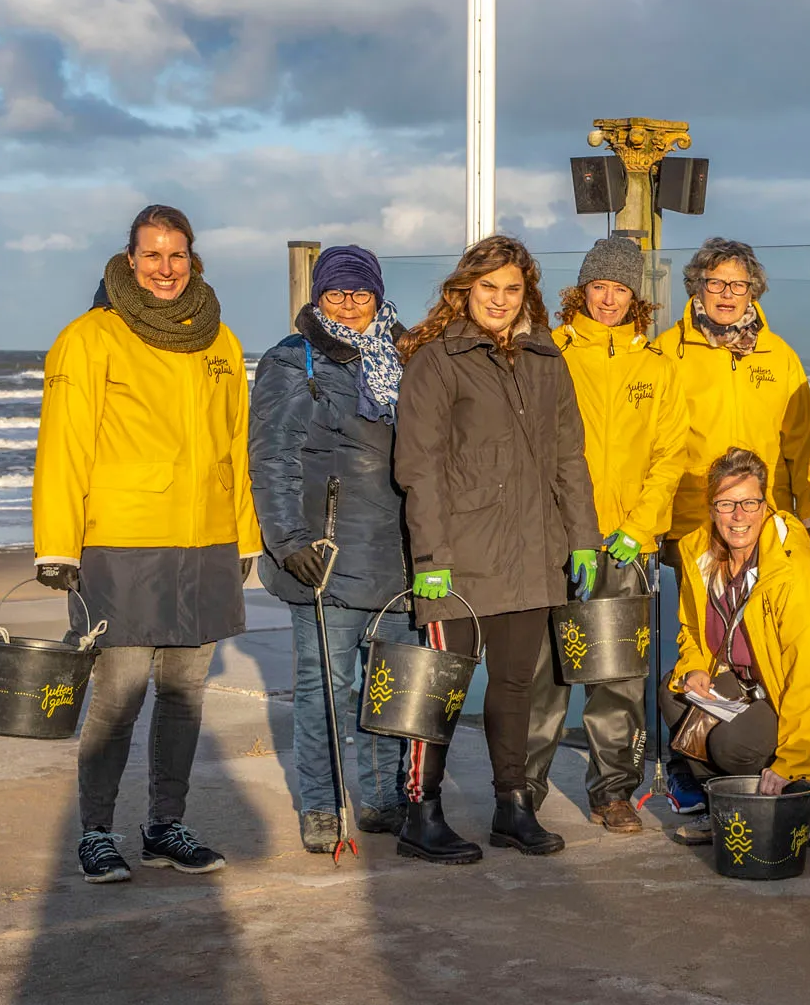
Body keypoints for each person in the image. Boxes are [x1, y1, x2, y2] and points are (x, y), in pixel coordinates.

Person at [34, 204, 260, 884]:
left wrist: (244, 533)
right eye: (152, 254)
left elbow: (235, 448)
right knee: (119, 693)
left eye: (177, 255)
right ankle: (97, 830)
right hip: (121, 545)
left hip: (205, 540)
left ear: (194, 258)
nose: (165, 268)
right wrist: (58, 545)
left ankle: (166, 824)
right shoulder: (88, 338)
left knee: (186, 692)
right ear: (130, 259)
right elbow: (64, 447)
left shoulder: (220, 340)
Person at [393, 234, 602, 863]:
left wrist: (583, 539)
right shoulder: (438, 360)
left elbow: (570, 455)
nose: (501, 300)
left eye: (513, 289)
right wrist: (430, 558)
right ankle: (419, 812)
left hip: (535, 553)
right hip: (459, 559)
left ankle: (513, 807)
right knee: (442, 688)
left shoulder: (547, 358)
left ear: (526, 293)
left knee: (515, 687)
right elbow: (418, 467)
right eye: (489, 288)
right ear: (466, 290)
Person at [653, 237, 810, 811]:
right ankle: (691, 770)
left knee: (768, 649)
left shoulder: (778, 357)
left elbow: (802, 445)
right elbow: (653, 441)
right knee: (698, 647)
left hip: (767, 527)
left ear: (754, 291)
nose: (727, 295)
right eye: (716, 283)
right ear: (697, 287)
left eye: (739, 284)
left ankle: (776, 757)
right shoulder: (668, 352)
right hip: (693, 527)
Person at [250, 245, 413, 853]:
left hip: (399, 556)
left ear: (377, 294)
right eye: (336, 292)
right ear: (318, 297)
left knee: (389, 688)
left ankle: (380, 797)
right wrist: (288, 540)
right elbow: (272, 455)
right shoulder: (294, 361)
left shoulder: (406, 355)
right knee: (325, 689)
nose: (349, 303)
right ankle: (320, 803)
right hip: (327, 556)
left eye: (360, 291)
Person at [529, 236, 689, 835]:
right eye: (599, 286)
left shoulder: (657, 368)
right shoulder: (550, 353)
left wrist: (638, 526)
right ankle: (523, 788)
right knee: (545, 672)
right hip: (557, 540)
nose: (609, 299)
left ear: (636, 298)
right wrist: (567, 527)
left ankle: (613, 790)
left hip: (629, 545)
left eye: (621, 289)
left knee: (617, 679)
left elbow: (670, 456)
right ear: (582, 288)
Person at [660, 448, 810, 846]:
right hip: (759, 683)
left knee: (731, 746)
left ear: (766, 506)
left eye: (750, 502)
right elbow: (693, 630)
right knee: (675, 694)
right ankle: (726, 809)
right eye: (727, 504)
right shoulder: (698, 553)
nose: (738, 516)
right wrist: (697, 667)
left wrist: (793, 760)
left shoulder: (793, 570)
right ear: (711, 508)